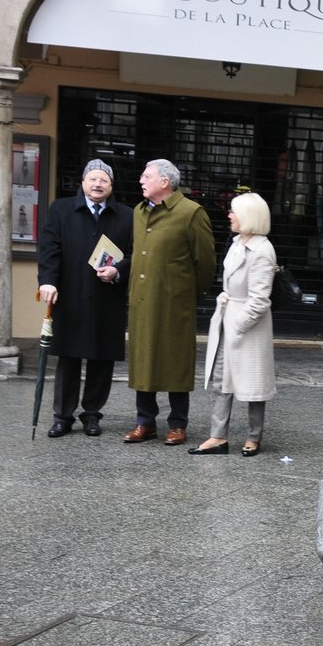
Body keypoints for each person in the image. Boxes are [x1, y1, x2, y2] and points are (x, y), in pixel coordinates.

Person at [36, 159, 130, 438]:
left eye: (104, 180)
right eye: (93, 179)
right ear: (83, 182)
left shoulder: (125, 215)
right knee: (69, 358)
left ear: (111, 186)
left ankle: (92, 415)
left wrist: (117, 271)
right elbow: (49, 249)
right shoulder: (62, 209)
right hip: (71, 295)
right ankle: (62, 416)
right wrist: (48, 281)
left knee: (102, 359)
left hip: (106, 297)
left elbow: (136, 254)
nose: (98, 184)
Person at [124, 159, 215, 447]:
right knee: (144, 358)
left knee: (175, 360)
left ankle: (177, 424)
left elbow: (206, 263)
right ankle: (145, 422)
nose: (141, 179)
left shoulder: (190, 213)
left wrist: (188, 294)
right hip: (142, 299)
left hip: (175, 303)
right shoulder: (139, 212)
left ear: (165, 182)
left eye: (146, 175)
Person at [190, 192, 276, 457]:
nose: (229, 215)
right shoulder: (238, 242)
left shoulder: (262, 250)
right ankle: (217, 436)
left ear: (249, 216)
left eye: (233, 211)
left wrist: (239, 324)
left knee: (253, 384)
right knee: (221, 380)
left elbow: (260, 299)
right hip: (228, 317)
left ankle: (254, 437)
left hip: (249, 325)